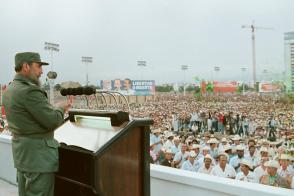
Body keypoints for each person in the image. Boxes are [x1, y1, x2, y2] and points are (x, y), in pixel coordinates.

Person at [2, 52, 72, 196]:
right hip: (39, 159)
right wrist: (60, 107)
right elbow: (52, 120)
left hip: (23, 156)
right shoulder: (29, 90)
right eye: (38, 66)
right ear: (26, 66)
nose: (41, 72)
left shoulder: (10, 89)